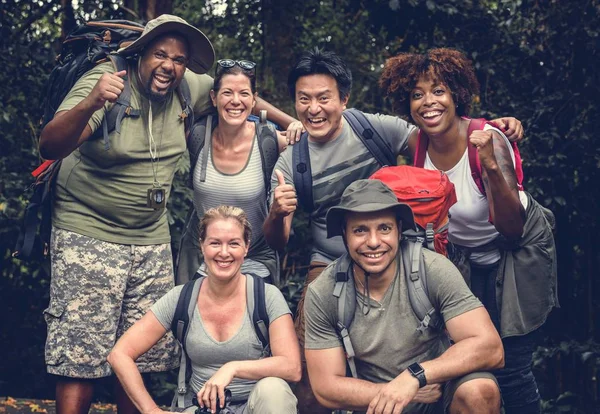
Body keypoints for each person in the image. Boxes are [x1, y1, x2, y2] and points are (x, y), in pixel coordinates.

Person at [38, 14, 297, 414]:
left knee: (141, 356)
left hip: (150, 238)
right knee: (80, 355)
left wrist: (287, 121)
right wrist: (93, 100)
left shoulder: (186, 86)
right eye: (160, 54)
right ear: (141, 53)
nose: (169, 66)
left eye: (178, 59)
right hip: (87, 231)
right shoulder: (106, 82)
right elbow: (50, 145)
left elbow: (236, 93)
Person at [262, 47, 522, 413]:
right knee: (308, 381)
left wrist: (490, 130)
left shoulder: (371, 129)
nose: (313, 109)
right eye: (304, 100)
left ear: (344, 99)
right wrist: (276, 213)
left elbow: (439, 136)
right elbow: (279, 239)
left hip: (396, 251)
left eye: (324, 98)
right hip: (329, 262)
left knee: (475, 379)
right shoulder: (293, 160)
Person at [379, 47, 558, 413]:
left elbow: (511, 227)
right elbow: (343, 119)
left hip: (516, 250)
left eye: (438, 90)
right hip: (464, 256)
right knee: (469, 357)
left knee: (511, 366)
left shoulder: (488, 139)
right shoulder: (416, 144)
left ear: (456, 94)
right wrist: (273, 117)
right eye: (417, 94)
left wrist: (491, 164)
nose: (428, 102)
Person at [303, 179, 504, 414]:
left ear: (399, 230)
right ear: (345, 236)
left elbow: (490, 348)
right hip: (377, 406)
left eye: (384, 228)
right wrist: (395, 391)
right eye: (360, 230)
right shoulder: (324, 291)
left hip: (438, 397)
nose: (374, 242)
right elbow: (326, 387)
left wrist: (415, 376)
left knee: (479, 390)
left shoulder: (432, 269)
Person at [108, 205, 301, 414]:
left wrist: (232, 368)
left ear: (246, 247)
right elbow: (120, 354)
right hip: (202, 409)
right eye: (215, 243)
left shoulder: (267, 296)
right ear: (202, 245)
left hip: (254, 407)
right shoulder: (182, 298)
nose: (224, 252)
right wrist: (151, 410)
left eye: (233, 243)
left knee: (274, 389)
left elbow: (291, 367)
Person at [178, 59, 303, 286]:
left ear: (254, 100)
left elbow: (315, 139)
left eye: (244, 94)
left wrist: (294, 122)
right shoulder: (197, 136)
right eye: (227, 93)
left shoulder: (269, 141)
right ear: (214, 98)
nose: (235, 101)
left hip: (254, 259)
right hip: (202, 259)